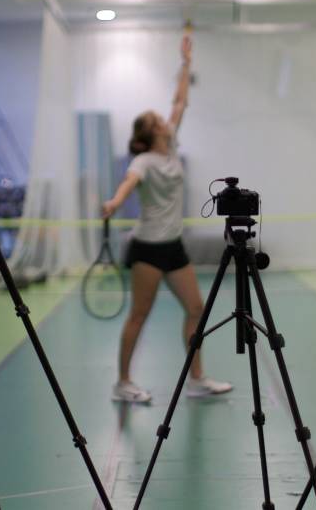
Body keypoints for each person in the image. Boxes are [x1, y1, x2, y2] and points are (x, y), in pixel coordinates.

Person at [102, 29, 233, 403]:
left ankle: (197, 378)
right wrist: (113, 202)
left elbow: (179, 100)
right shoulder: (143, 160)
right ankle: (123, 383)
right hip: (147, 248)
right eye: (156, 120)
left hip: (174, 245)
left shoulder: (171, 144)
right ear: (149, 134)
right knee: (139, 316)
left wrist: (186, 62)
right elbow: (129, 182)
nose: (163, 118)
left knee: (196, 308)